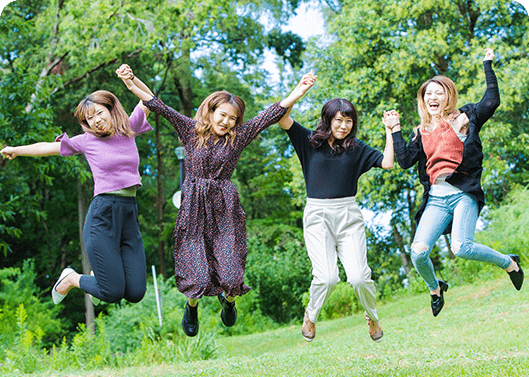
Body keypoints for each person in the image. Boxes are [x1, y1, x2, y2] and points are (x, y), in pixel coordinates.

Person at [117, 64, 317, 337]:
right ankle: (192, 306)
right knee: (197, 275)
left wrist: (299, 90)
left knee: (232, 277)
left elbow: (272, 113)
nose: (226, 122)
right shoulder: (189, 130)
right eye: (222, 115)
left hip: (225, 208)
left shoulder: (238, 138)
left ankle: (229, 301)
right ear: (211, 112)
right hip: (193, 208)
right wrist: (131, 83)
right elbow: (156, 103)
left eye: (232, 118)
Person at [390, 48, 523, 317]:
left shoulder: (462, 119)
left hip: (463, 194)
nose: (433, 97)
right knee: (417, 252)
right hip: (437, 199)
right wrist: (395, 130)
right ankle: (435, 287)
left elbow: (492, 101)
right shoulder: (420, 132)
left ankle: (509, 263)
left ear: (448, 96)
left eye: (439, 93)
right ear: (423, 100)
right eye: (428, 94)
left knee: (461, 247)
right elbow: (404, 160)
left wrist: (488, 65)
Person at [1, 84, 154, 306]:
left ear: (111, 109)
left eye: (99, 113)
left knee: (135, 292)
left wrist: (131, 82)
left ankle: (99, 278)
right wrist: (17, 149)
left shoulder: (129, 128)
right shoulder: (87, 141)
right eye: (89, 119)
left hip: (129, 214)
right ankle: (71, 278)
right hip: (103, 214)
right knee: (112, 292)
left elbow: (149, 99)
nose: (96, 121)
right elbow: (48, 148)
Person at [278, 83, 398, 342]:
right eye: (339, 120)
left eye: (349, 122)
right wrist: (299, 91)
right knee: (327, 277)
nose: (344, 126)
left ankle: (372, 316)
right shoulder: (308, 142)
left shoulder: (357, 149)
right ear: (328, 120)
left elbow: (387, 163)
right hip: (317, 216)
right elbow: (281, 116)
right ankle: (311, 314)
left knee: (358, 277)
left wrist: (390, 130)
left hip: (348, 215)